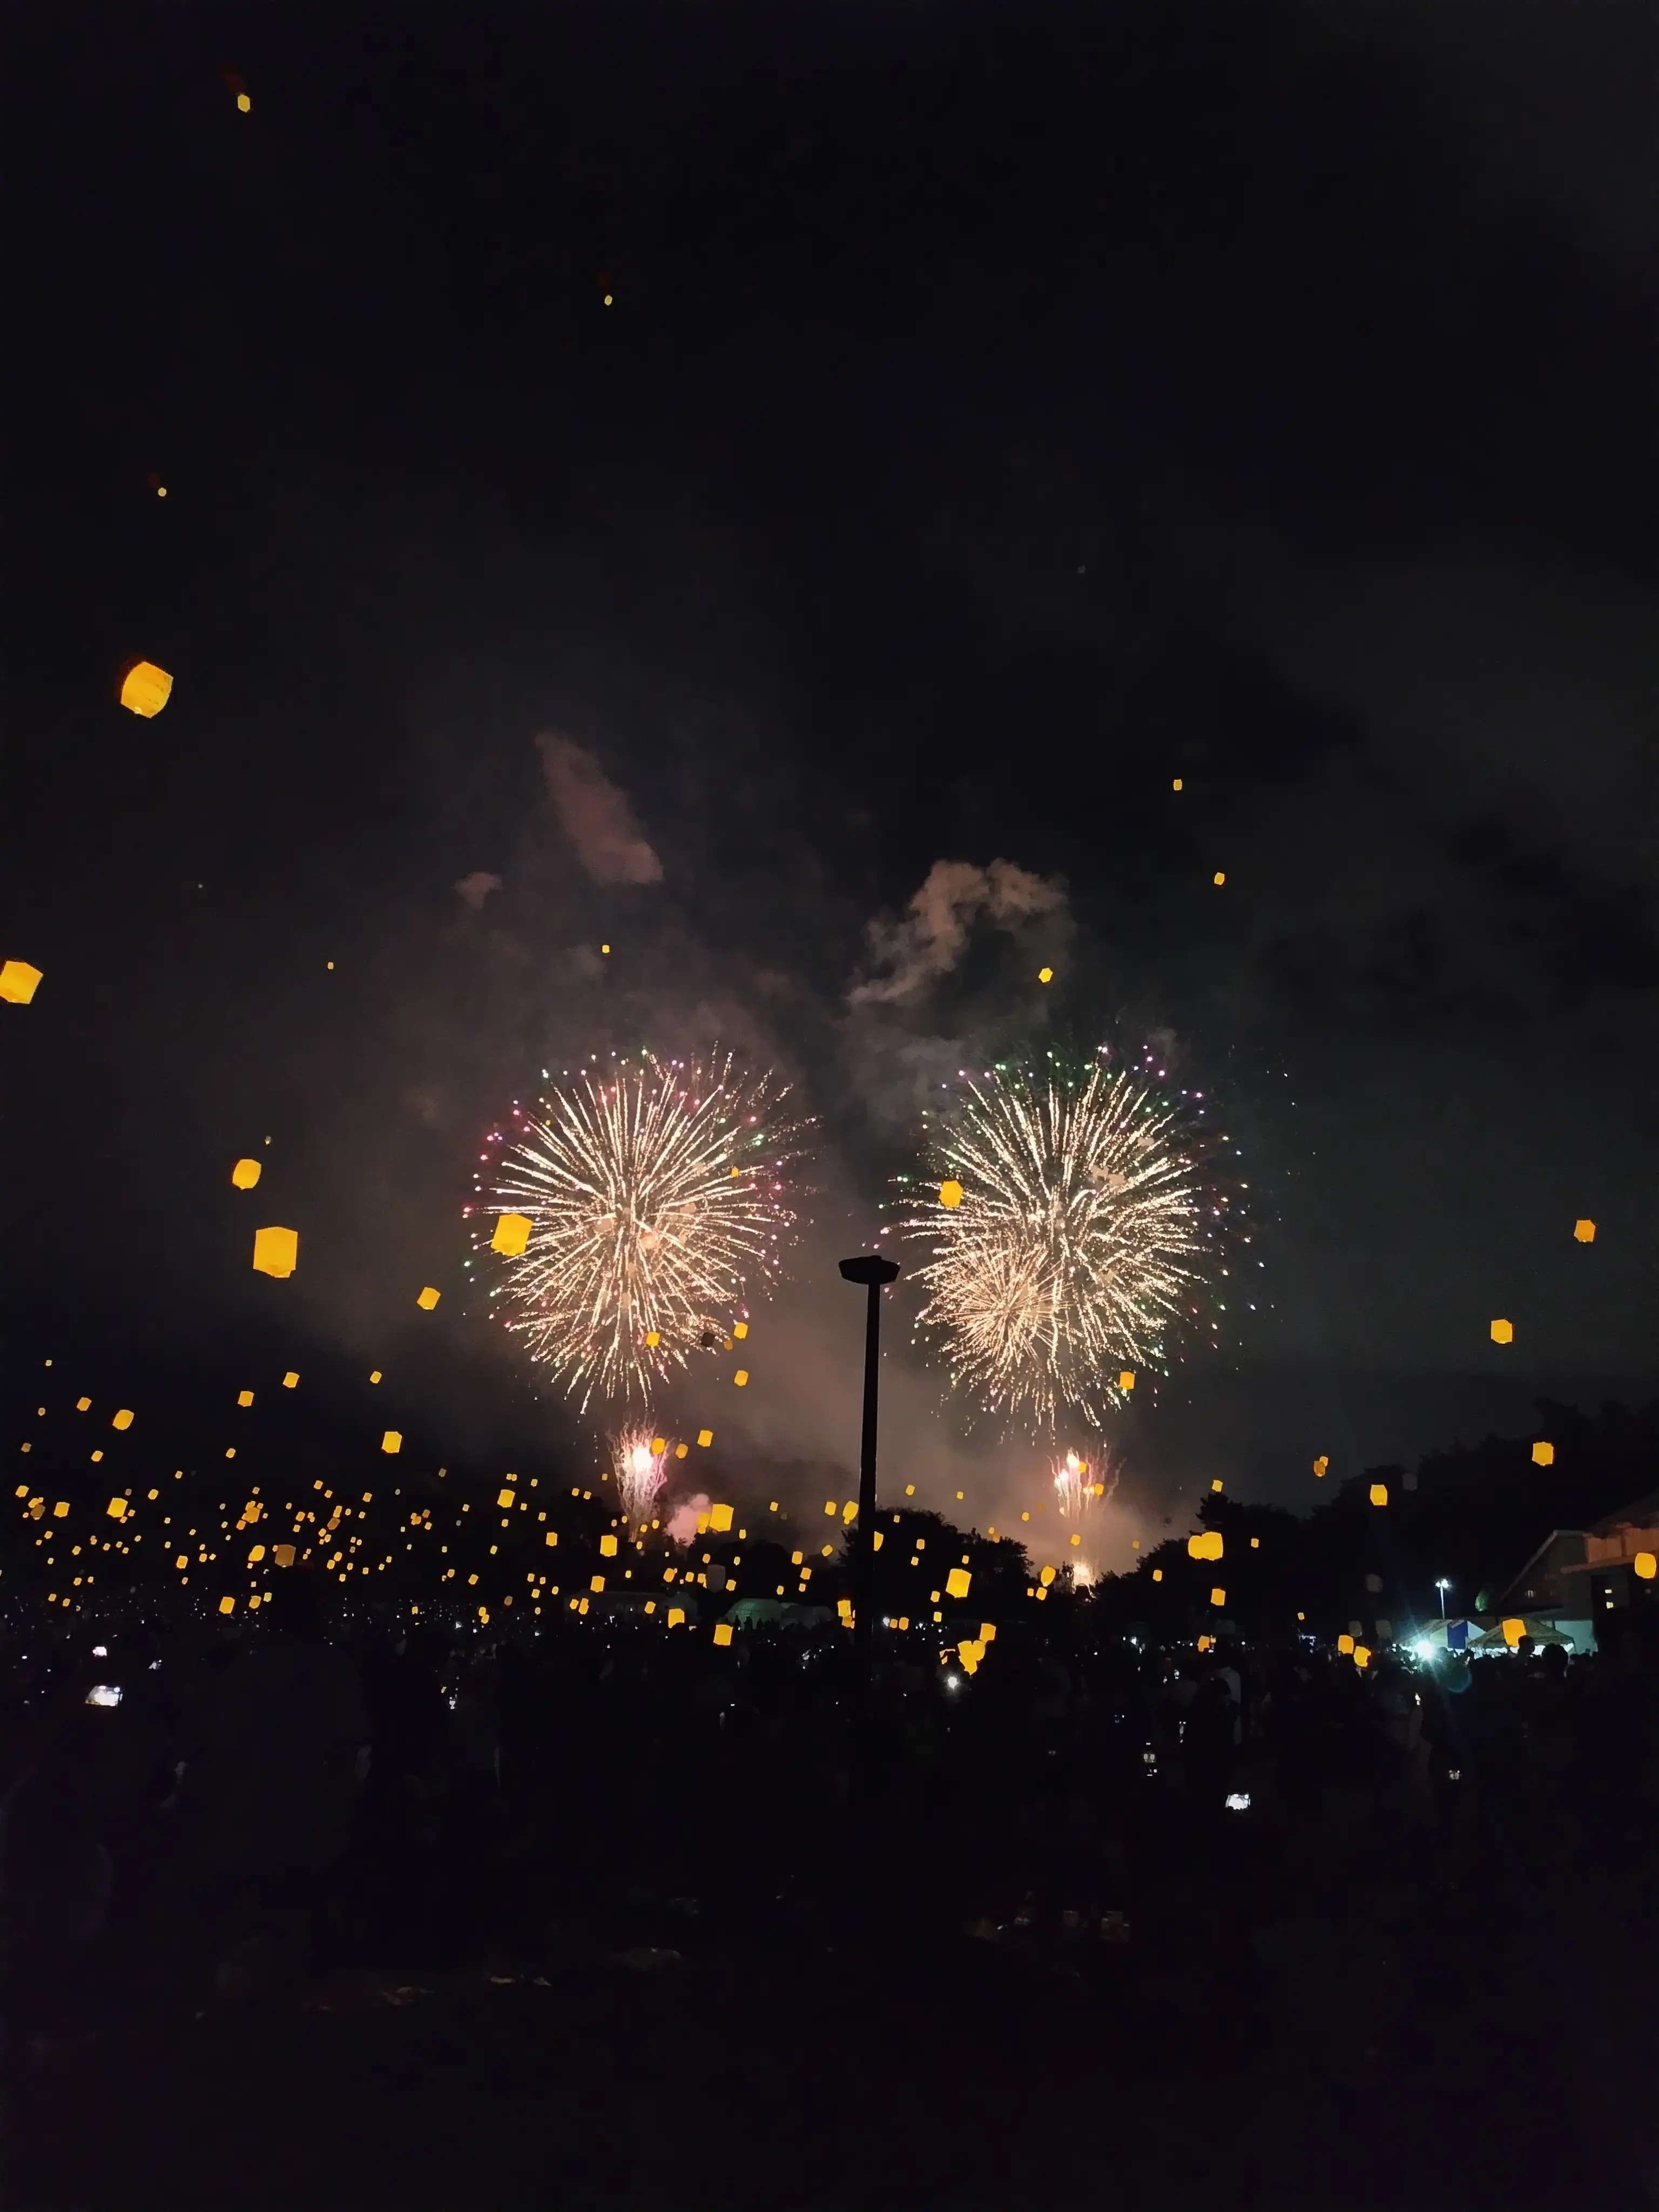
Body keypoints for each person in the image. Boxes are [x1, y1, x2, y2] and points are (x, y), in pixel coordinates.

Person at [202, 1570, 368, 2002]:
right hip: (306, 1816)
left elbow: (221, 1749)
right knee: (295, 1925)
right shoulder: (333, 1672)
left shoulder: (244, 1674)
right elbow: (344, 1751)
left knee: (253, 1927)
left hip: (250, 1817)